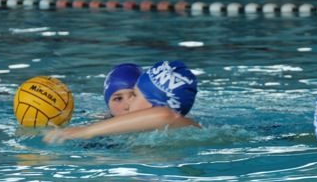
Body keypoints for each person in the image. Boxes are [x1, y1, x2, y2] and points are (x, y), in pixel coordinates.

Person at [43, 60, 201, 144]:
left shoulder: (182, 125)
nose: (129, 102)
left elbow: (165, 115)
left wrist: (86, 132)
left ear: (152, 104)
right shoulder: (147, 135)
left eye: (134, 95)